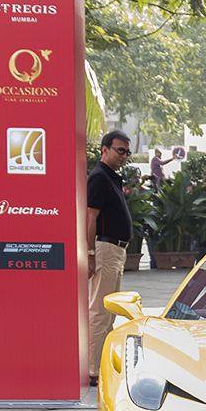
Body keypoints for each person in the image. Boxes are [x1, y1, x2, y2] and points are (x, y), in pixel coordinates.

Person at [87, 129, 133, 387]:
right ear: (105, 149)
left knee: (110, 312)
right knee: (99, 311)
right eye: (120, 150)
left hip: (116, 250)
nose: (124, 156)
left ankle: (100, 365)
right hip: (104, 249)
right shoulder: (99, 177)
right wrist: (91, 254)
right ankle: (93, 370)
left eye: (127, 152)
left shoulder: (111, 177)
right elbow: (90, 216)